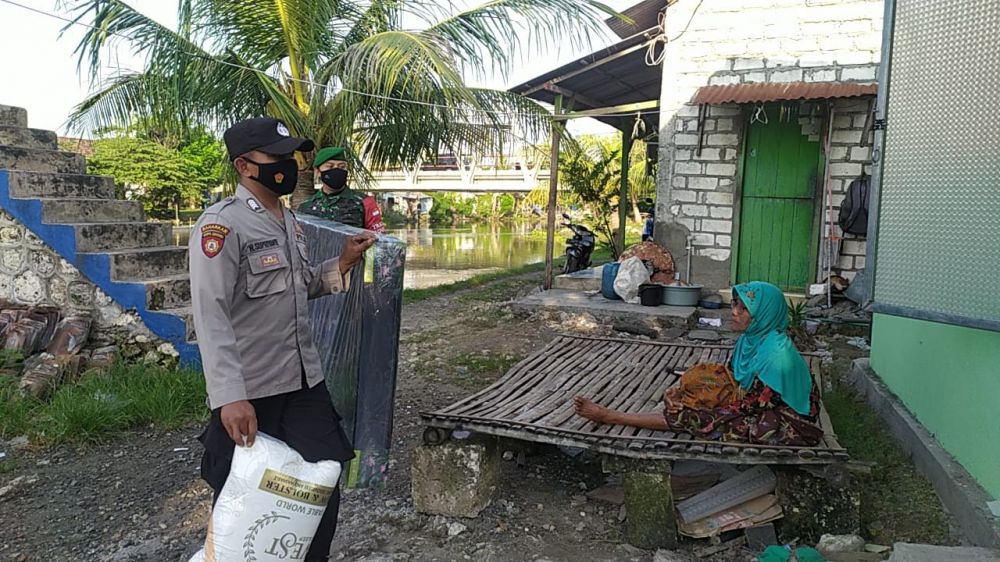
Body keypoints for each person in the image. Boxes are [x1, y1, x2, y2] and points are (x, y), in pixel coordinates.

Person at [190, 117, 376, 562]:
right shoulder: (221, 226)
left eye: (290, 156)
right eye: (276, 158)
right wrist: (229, 397)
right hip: (251, 387)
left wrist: (343, 263)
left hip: (302, 379)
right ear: (243, 165)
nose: (288, 165)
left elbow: (301, 285)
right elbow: (209, 313)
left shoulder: (289, 221)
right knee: (240, 487)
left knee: (322, 482)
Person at [574, 281, 822, 446]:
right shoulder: (753, 340)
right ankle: (670, 409)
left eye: (743, 309)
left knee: (693, 418)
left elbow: (747, 406)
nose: (733, 311)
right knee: (694, 392)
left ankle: (611, 416)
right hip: (758, 404)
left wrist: (691, 407)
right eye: (735, 304)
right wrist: (683, 391)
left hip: (790, 422)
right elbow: (732, 378)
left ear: (764, 314)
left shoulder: (775, 356)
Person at [298, 146, 386, 233]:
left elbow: (379, 240)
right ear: (317, 172)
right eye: (330, 166)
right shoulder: (305, 206)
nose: (336, 170)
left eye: (342, 167)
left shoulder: (365, 202)